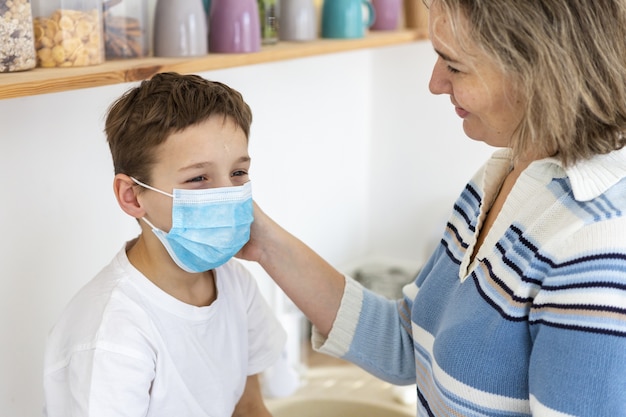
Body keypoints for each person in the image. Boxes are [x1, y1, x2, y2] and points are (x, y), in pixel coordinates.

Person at [237, 0, 626, 416]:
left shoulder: (597, 249)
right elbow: (406, 343)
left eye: (454, 66)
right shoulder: (501, 176)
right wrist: (264, 242)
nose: (435, 83)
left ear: (537, 71)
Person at [43, 72, 286, 417]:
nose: (225, 195)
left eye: (237, 173)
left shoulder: (235, 284)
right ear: (132, 196)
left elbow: (248, 408)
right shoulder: (114, 333)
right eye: (198, 178)